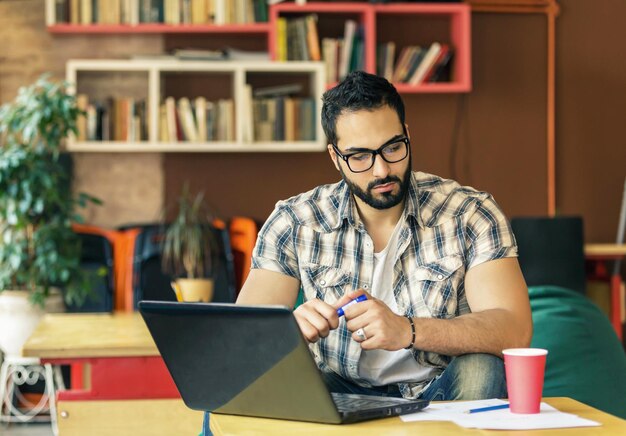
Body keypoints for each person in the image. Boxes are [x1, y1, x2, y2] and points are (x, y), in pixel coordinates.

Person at [237, 71, 532, 401]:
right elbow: (245, 340)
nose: (381, 170)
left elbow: (513, 330)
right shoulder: (295, 221)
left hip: (438, 391)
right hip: (336, 391)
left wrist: (407, 329)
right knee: (249, 385)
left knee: (483, 366)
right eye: (360, 156)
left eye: (393, 147)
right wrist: (287, 331)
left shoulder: (469, 213)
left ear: (407, 135)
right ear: (335, 157)